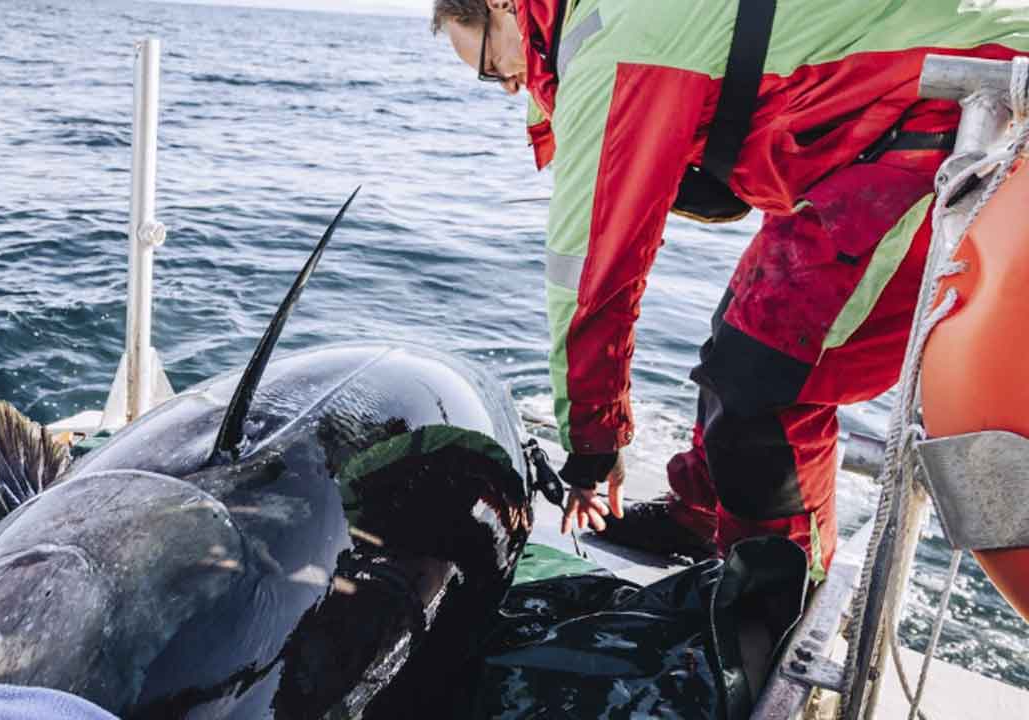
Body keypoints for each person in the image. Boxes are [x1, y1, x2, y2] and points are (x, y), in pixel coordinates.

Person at [432, 0, 1029, 576]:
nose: (509, 85)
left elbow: (592, 270)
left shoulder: (611, 41)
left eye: (490, 66)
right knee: (733, 338)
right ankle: (703, 518)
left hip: (957, 114)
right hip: (862, 141)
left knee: (762, 383)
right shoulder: (607, 20)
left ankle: (782, 591)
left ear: (503, 5)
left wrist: (593, 443)